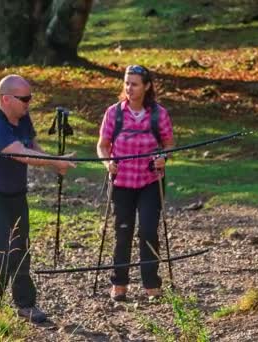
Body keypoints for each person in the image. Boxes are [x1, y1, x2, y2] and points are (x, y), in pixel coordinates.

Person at [0, 74, 75, 323]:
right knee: (3, 251)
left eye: (30, 97)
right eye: (24, 98)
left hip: (14, 192)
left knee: (20, 249)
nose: (29, 102)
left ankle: (25, 305)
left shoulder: (22, 118)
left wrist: (54, 164)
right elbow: (19, 154)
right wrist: (55, 161)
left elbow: (32, 147)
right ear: (6, 99)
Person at [96, 65, 175, 301]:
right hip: (122, 182)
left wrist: (164, 157)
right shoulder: (114, 113)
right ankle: (119, 284)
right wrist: (107, 162)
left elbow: (169, 143)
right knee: (123, 232)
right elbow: (102, 145)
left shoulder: (159, 114)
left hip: (150, 181)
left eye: (135, 84)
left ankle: (151, 284)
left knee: (149, 231)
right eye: (126, 83)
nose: (129, 88)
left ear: (147, 86)